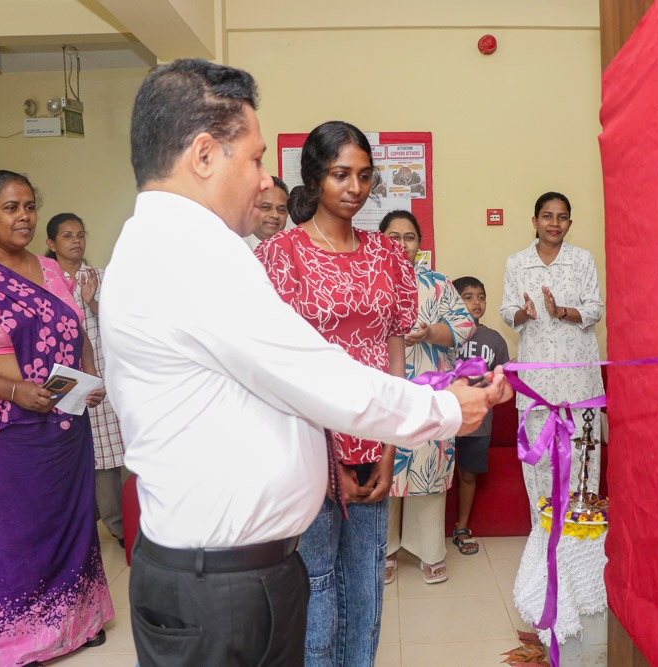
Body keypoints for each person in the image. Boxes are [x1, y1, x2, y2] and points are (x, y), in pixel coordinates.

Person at [103, 60, 510, 667]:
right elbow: (314, 375)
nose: (267, 180)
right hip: (221, 583)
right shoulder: (197, 260)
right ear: (205, 154)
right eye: (256, 158)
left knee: (359, 598)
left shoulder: (164, 245)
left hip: (231, 564)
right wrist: (449, 407)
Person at [256, 121, 418, 665]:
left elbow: (395, 351)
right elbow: (279, 366)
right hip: (307, 440)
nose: (355, 188)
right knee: (318, 580)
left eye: (365, 176)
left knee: (367, 579)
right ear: (314, 177)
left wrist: (392, 443)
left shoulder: (388, 256)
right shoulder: (282, 256)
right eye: (340, 174)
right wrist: (329, 460)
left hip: (373, 438)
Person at [0, 170, 113, 666]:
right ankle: (14, 642)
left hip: (63, 431)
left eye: (28, 207)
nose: (23, 217)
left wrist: (88, 376)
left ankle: (76, 625)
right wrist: (14, 391)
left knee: (70, 524)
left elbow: (76, 327)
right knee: (9, 534)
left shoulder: (51, 268)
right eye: (9, 208)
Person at [380, 210, 474, 584]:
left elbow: (464, 326)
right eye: (393, 236)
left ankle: (429, 549)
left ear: (420, 245)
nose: (401, 244)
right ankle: (383, 550)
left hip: (429, 393)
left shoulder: (437, 284)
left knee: (427, 469)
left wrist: (431, 331)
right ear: (380, 239)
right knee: (383, 470)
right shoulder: (368, 281)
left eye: (409, 237)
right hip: (382, 393)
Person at [500, 191, 604, 526]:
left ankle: (577, 534)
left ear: (569, 223)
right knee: (539, 460)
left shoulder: (582, 260)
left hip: (579, 383)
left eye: (561, 217)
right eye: (547, 216)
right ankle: (544, 534)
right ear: (535, 221)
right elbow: (505, 311)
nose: (554, 223)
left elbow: (594, 309)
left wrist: (561, 312)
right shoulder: (517, 263)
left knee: (580, 457)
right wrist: (523, 312)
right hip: (537, 384)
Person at [45, 213, 127, 548]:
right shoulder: (44, 280)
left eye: (80, 234)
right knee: (69, 449)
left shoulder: (103, 277)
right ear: (51, 244)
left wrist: (92, 300)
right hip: (62, 375)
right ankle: (84, 520)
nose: (76, 241)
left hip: (103, 373)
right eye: (67, 236)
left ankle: (120, 526)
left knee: (108, 453)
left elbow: (122, 323)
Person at [451, 275, 511, 555]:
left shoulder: (494, 338)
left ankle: (462, 527)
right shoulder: (445, 333)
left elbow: (502, 379)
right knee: (438, 475)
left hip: (479, 423)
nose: (477, 302)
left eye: (481, 296)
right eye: (469, 296)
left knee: (468, 475)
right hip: (447, 419)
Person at [244, 175, 289, 250]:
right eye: (266, 207)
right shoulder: (235, 249)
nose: (275, 215)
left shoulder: (296, 250)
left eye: (281, 210)